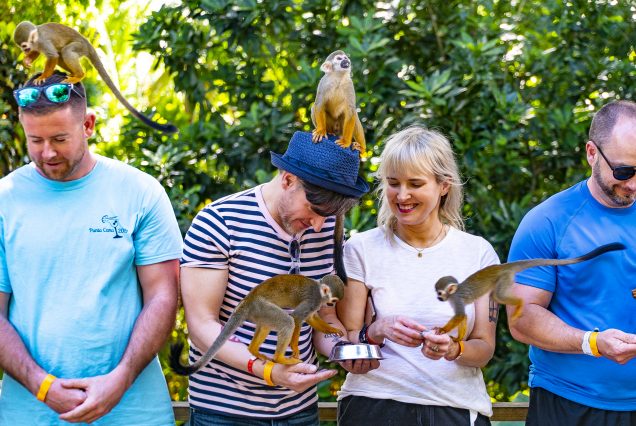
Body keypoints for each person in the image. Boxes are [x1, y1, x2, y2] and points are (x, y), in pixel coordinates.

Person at [0, 71, 183, 425]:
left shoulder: (140, 192)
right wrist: (42, 386)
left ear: (88, 125)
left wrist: (121, 379)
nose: (47, 152)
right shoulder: (5, 199)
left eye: (59, 138)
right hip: (31, 413)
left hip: (133, 411)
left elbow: (163, 296)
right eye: (35, 140)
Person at [179, 131, 371, 425]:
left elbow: (326, 318)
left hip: (299, 410)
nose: (318, 226)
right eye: (314, 210)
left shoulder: (328, 228)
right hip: (225, 412)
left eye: (328, 215)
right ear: (288, 180)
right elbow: (201, 326)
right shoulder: (219, 222)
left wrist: (342, 350)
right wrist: (268, 371)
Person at [336, 126, 499, 425]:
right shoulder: (361, 248)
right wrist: (377, 330)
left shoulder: (478, 253)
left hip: (454, 408)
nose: (402, 195)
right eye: (393, 183)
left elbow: (485, 348)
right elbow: (347, 339)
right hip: (373, 405)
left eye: (415, 184)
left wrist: (453, 348)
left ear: (444, 185)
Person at [507, 100, 636, 425]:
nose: (633, 184)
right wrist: (592, 342)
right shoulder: (547, 221)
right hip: (568, 402)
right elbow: (522, 318)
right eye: (623, 172)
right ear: (592, 153)